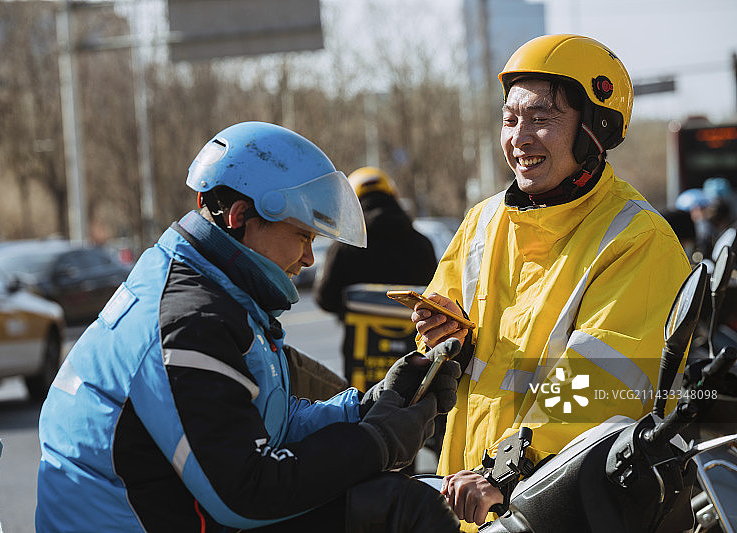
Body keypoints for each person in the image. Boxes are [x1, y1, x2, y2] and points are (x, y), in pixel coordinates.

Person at [36, 121, 463, 532]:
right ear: (240, 216)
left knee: (389, 499)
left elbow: (267, 427)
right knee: (397, 508)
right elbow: (247, 490)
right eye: (303, 236)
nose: (309, 259)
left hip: (183, 513)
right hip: (168, 519)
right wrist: (376, 441)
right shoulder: (188, 322)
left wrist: (370, 406)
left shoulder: (212, 292)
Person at [410, 35, 691, 530]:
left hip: (563, 502)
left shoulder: (637, 238)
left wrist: (509, 468)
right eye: (510, 120)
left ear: (595, 129)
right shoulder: (482, 222)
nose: (520, 138)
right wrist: (444, 337)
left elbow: (605, 379)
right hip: (472, 499)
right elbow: (448, 332)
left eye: (541, 118)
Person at [314, 166, 438, 315]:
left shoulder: (344, 247)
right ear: (393, 196)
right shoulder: (422, 244)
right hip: (415, 328)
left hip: (359, 328)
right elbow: (435, 294)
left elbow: (325, 299)